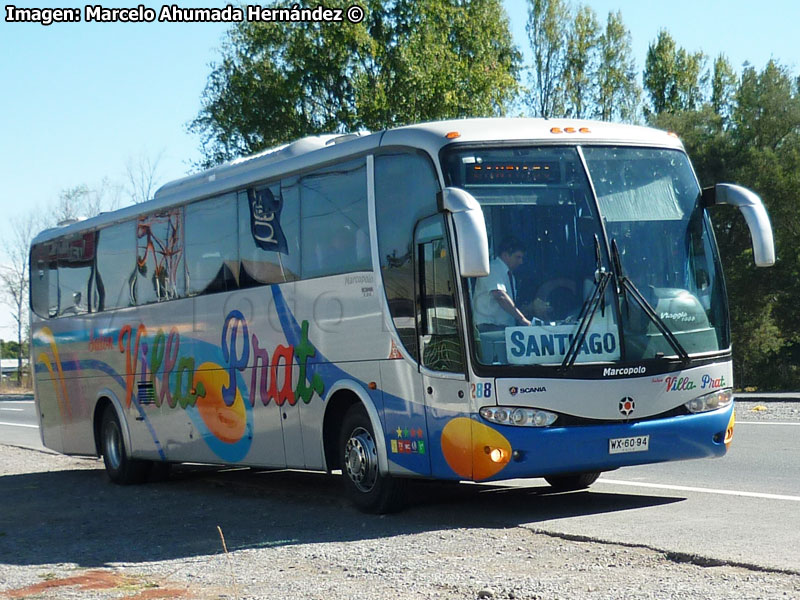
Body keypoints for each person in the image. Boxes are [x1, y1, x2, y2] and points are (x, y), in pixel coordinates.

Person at [472, 237, 531, 330]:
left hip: (503, 327)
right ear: (505, 255)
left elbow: (508, 305)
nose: (521, 262)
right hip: (489, 326)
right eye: (518, 257)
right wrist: (522, 319)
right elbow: (500, 296)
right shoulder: (493, 269)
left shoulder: (509, 275)